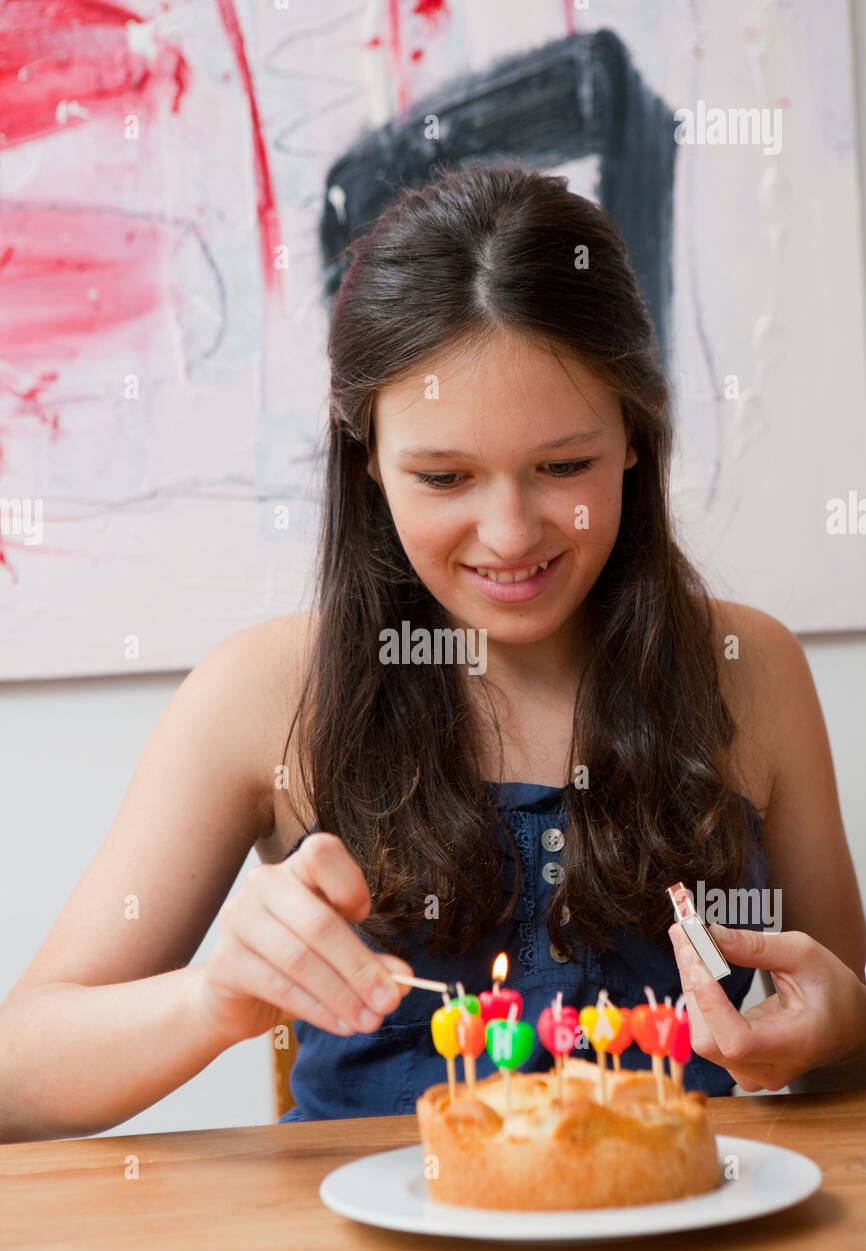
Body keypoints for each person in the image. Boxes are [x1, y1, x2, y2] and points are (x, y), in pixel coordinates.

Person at [2, 161, 864, 1142]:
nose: (508, 532)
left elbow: (842, 1034)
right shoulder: (262, 694)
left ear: (634, 435)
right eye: (444, 475)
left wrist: (840, 1026)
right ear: (367, 459)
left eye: (563, 465)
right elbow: (15, 1077)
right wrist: (214, 999)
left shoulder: (746, 669)